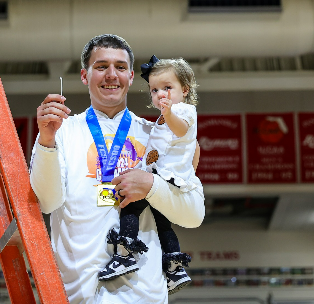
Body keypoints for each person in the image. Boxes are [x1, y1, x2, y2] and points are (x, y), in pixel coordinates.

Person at [30, 34, 205, 304]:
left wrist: (151, 186)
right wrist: (46, 140)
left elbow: (194, 214)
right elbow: (46, 201)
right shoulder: (60, 133)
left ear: (132, 76)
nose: (112, 74)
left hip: (143, 296)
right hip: (78, 294)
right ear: (84, 76)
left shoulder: (159, 135)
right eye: (101, 67)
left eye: (120, 67)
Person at [98, 55, 204, 295]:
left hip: (167, 179)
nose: (161, 94)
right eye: (155, 90)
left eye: (168, 88)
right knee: (162, 222)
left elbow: (182, 129)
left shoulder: (179, 113)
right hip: (161, 177)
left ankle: (125, 255)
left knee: (131, 207)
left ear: (184, 90)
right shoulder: (161, 119)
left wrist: (168, 114)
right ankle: (175, 268)